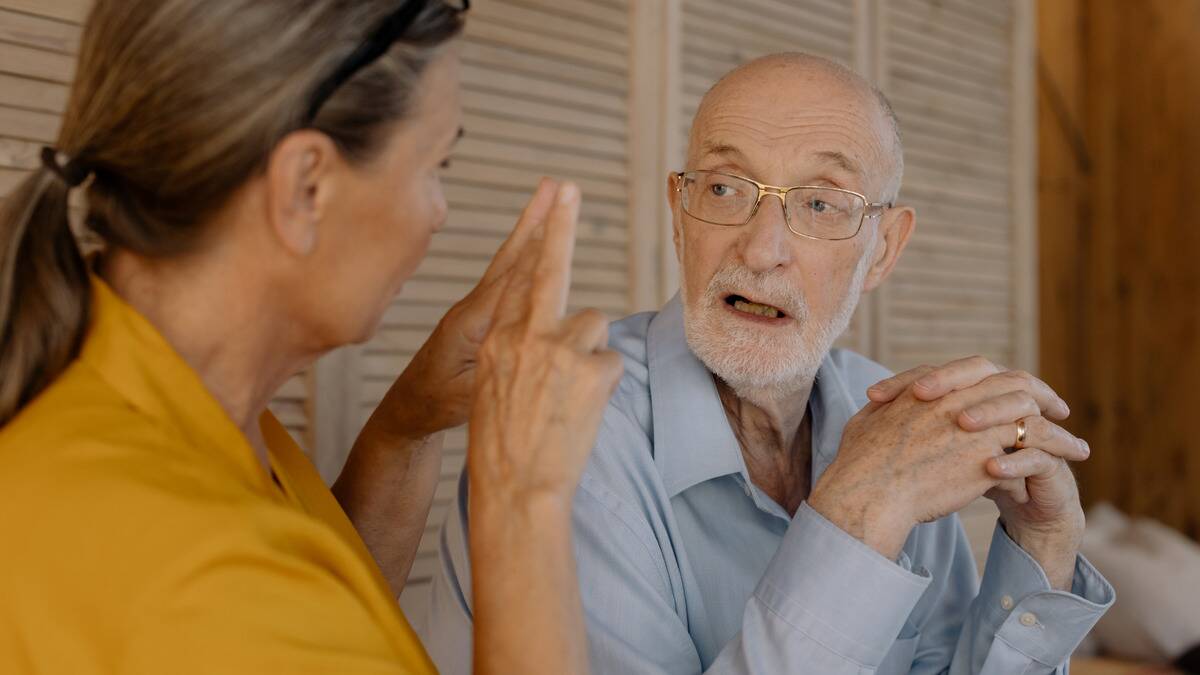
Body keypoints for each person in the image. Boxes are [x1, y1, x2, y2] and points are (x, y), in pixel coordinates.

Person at [427, 53, 1115, 674]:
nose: (761, 251)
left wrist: (1042, 549)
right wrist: (859, 512)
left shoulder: (891, 421)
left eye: (820, 203)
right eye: (725, 189)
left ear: (883, 249)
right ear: (680, 213)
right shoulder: (574, 425)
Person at [0, 1, 621, 673]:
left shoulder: (168, 400)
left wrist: (407, 425)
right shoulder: (183, 565)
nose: (438, 215)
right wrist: (525, 499)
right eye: (435, 167)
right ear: (306, 187)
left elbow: (315, 627)